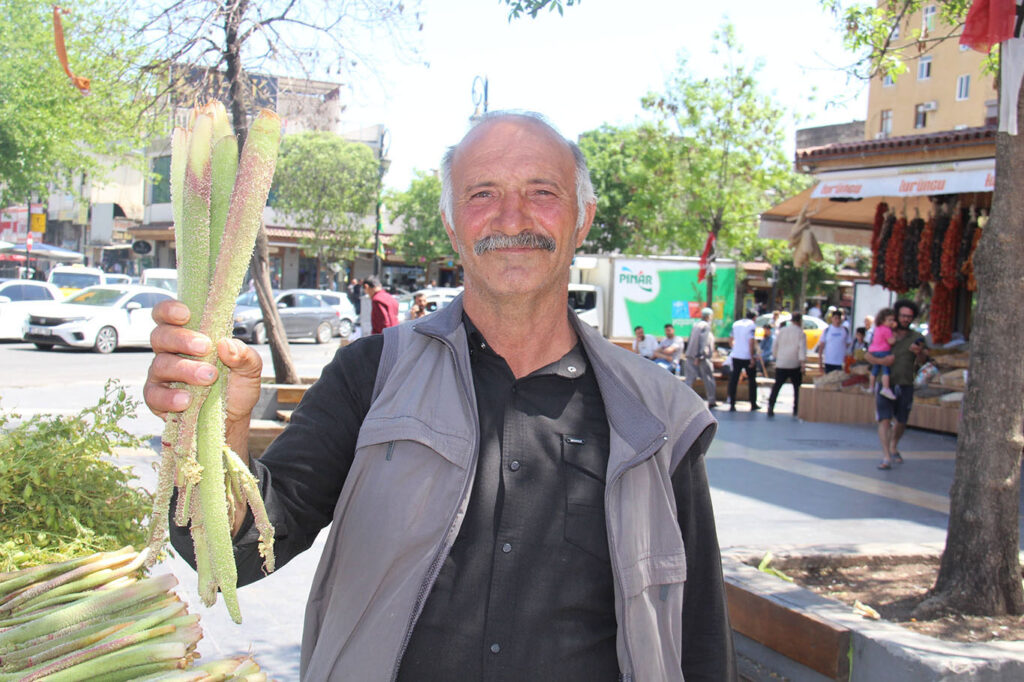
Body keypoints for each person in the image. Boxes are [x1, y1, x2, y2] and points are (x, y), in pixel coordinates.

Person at [143, 111, 735, 681]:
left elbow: (701, 643)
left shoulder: (657, 416)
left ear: (581, 219)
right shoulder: (370, 376)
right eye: (482, 194)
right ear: (451, 225)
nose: (511, 218)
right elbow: (237, 553)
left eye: (541, 192)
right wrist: (215, 425)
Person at [866, 299, 928, 470]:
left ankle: (894, 444)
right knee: (884, 419)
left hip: (906, 382)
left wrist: (920, 352)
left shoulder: (917, 337)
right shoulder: (883, 331)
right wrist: (882, 360)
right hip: (885, 382)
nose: (905, 319)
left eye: (909, 316)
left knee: (901, 420)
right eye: (902, 315)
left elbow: (925, 360)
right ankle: (886, 456)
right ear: (896, 315)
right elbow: (868, 356)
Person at [766, 312, 807, 418]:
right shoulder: (800, 333)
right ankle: (796, 408)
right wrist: (803, 363)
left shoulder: (782, 331)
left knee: (777, 386)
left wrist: (776, 356)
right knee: (796, 388)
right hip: (794, 363)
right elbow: (802, 349)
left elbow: (775, 346)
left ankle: (771, 405)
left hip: (782, 362)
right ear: (800, 321)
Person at [684, 307, 717, 408]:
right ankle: (711, 400)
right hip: (701, 357)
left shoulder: (695, 325)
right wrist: (699, 355)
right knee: (708, 379)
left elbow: (690, 340)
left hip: (690, 355)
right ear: (709, 316)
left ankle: (684, 400)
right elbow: (703, 340)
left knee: (689, 379)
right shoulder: (705, 326)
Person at [726, 309, 759, 411]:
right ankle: (753, 403)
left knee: (734, 379)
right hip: (746, 356)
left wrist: (735, 348)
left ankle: (732, 403)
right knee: (752, 380)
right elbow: (751, 341)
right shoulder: (752, 325)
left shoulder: (736, 324)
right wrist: (752, 356)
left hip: (736, 355)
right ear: (754, 317)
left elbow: (730, 339)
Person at [866, 307, 897, 399]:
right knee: (885, 370)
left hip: (874, 351)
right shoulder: (887, 330)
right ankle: (885, 387)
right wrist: (894, 336)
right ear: (883, 320)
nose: (891, 322)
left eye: (893, 320)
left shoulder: (877, 328)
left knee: (874, 370)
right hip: (883, 351)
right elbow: (891, 341)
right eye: (889, 320)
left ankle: (871, 387)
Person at [815, 310, 849, 374]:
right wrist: (820, 364)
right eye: (835, 318)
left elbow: (848, 345)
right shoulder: (827, 331)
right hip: (829, 362)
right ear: (832, 318)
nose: (837, 320)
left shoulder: (845, 331)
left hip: (841, 362)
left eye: (839, 318)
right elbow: (821, 347)